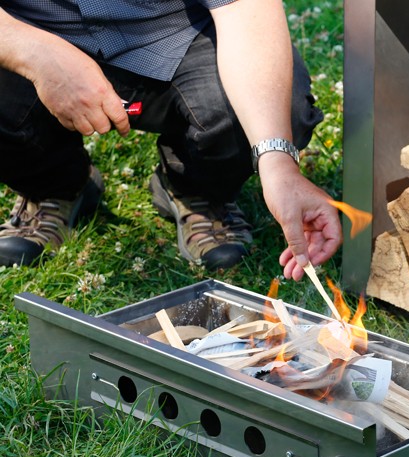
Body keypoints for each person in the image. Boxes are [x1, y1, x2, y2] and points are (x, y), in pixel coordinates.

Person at [0, 0, 342, 281]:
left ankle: (196, 190)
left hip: (178, 34)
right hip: (30, 30)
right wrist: (37, 56)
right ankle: (53, 185)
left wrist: (278, 167)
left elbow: (244, 9)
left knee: (280, 106)